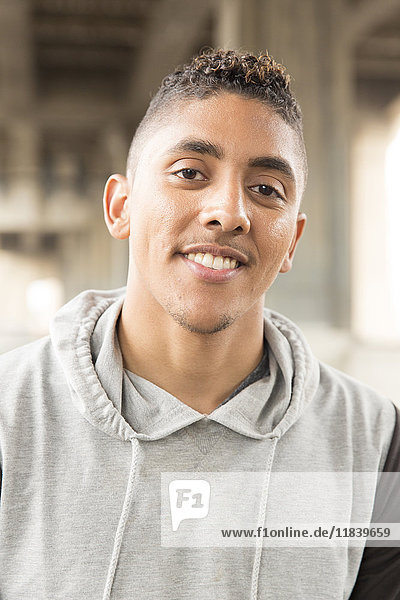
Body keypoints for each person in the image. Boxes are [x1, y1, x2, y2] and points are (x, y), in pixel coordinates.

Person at [0, 48, 399, 600]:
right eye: (190, 173)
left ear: (292, 243)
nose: (229, 211)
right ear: (121, 207)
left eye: (266, 190)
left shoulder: (373, 439)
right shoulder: (10, 413)